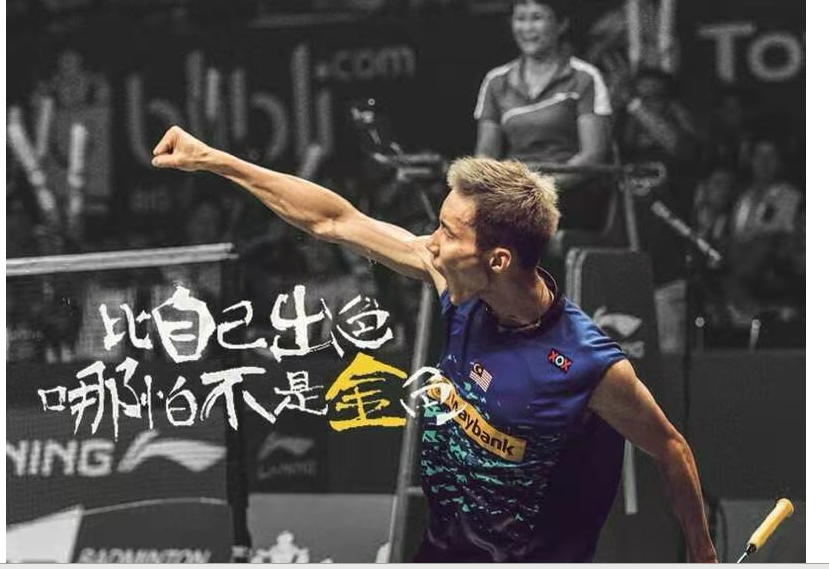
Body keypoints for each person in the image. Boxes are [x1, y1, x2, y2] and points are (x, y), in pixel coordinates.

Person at [150, 125, 717, 563]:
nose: (432, 243)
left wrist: (702, 553)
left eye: (448, 232)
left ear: (498, 259)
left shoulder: (588, 365)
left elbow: (672, 449)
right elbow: (333, 221)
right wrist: (215, 160)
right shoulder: (456, 283)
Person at [474, 0, 614, 229]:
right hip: (512, 196)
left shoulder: (585, 78)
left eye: (537, 18)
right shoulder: (496, 81)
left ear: (562, 24)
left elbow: (593, 155)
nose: (527, 28)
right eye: (520, 19)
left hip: (570, 196)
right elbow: (485, 155)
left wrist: (539, 189)